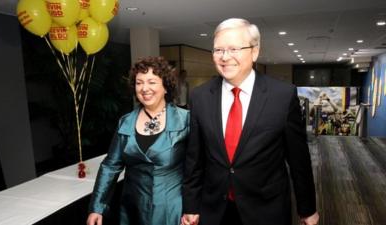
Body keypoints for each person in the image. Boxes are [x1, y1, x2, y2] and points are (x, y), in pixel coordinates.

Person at [181, 18, 319, 225]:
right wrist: (191, 205)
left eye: (234, 49)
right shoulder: (200, 96)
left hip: (266, 209)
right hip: (215, 209)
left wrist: (307, 209)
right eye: (218, 50)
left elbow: (298, 159)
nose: (225, 57)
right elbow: (195, 158)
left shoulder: (281, 95)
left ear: (254, 51)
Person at [87, 56, 189, 225]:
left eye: (151, 82)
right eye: (139, 82)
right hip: (133, 207)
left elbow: (197, 169)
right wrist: (97, 207)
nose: (144, 88)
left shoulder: (185, 120)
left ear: (165, 87)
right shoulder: (125, 122)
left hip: (173, 208)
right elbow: (110, 166)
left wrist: (192, 209)